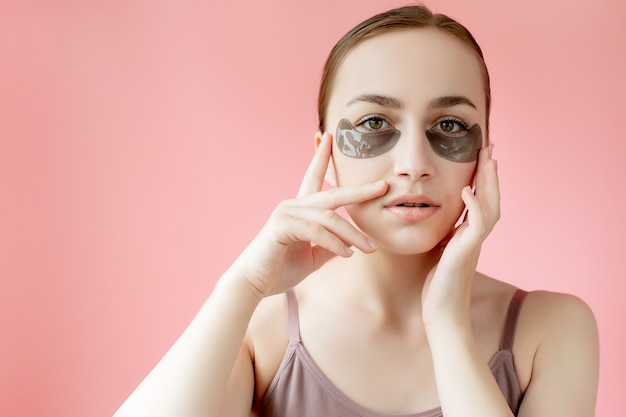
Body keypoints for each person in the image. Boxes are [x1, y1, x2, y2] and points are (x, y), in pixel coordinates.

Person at [114, 5, 599, 417]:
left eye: (450, 124)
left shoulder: (550, 329)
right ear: (325, 154)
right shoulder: (260, 332)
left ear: (483, 155)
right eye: (373, 122)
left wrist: (447, 324)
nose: (413, 164)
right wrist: (241, 289)